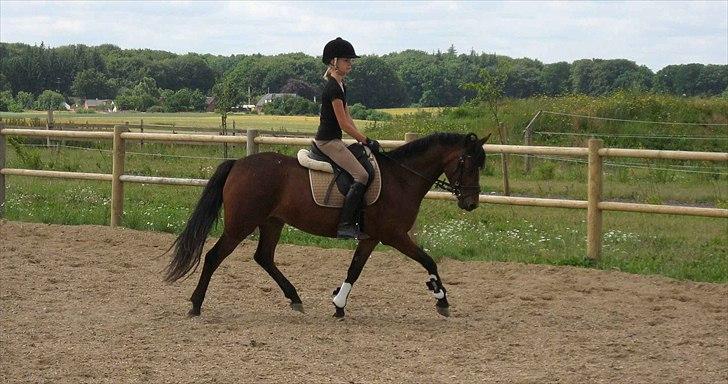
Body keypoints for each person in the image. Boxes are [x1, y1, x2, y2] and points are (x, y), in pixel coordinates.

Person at [315, 37, 380, 239]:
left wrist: (362, 138)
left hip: (336, 140)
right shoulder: (333, 88)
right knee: (361, 176)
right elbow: (342, 124)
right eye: (346, 60)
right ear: (334, 62)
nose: (350, 64)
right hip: (327, 142)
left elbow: (348, 118)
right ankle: (345, 225)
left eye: (350, 61)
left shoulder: (342, 85)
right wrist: (366, 140)